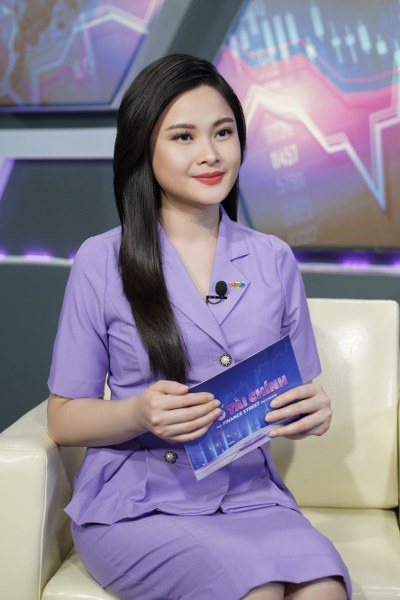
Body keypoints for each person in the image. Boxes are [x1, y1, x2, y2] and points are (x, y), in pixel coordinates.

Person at [47, 53, 351, 600]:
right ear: (144, 147)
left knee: (324, 588)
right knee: (257, 590)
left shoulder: (273, 258)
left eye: (223, 132)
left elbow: (294, 391)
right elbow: (63, 418)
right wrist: (137, 413)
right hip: (138, 502)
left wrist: (311, 412)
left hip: (249, 495)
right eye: (183, 136)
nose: (210, 153)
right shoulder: (101, 260)